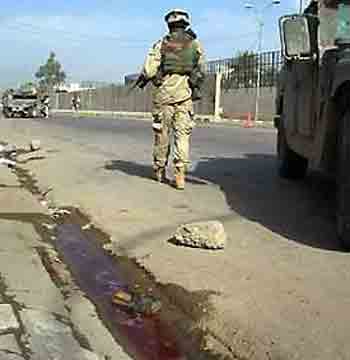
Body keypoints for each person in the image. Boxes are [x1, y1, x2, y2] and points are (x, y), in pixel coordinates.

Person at [138, 9, 205, 190]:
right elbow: (202, 69)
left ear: (169, 25)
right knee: (182, 136)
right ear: (186, 24)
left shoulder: (161, 44)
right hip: (185, 95)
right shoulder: (195, 44)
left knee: (162, 135)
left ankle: (160, 170)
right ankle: (180, 174)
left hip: (164, 95)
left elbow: (150, 70)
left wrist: (145, 76)